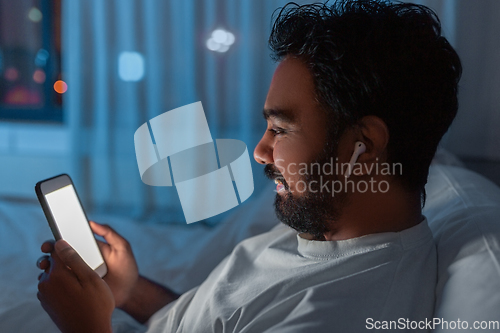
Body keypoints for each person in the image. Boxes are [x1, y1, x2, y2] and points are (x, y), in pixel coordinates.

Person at [36, 0, 462, 332]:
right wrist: (126, 291)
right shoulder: (319, 225)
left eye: (281, 128)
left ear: (364, 147)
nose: (260, 151)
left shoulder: (342, 312)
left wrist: (86, 326)